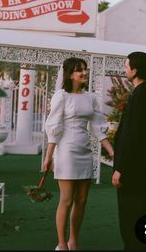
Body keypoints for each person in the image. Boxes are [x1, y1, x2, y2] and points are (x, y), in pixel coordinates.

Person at [43, 57, 114, 251]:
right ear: (69, 74)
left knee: (82, 200)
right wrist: (48, 157)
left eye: (84, 69)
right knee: (66, 199)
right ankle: (61, 243)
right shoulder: (61, 96)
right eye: (78, 70)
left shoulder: (90, 97)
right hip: (66, 151)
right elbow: (54, 127)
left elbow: (98, 127)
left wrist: (111, 151)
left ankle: (74, 241)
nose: (83, 73)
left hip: (85, 151)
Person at [112, 51, 146, 251]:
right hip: (145, 166)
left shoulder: (141, 96)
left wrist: (120, 168)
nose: (124, 69)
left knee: (131, 213)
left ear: (134, 71)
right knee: (142, 208)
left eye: (126, 66)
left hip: (133, 168)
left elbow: (133, 137)